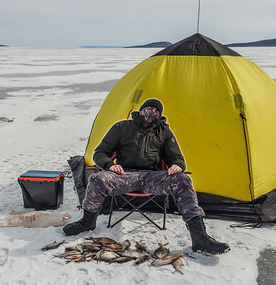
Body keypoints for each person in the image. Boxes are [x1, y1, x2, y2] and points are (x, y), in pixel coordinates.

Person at [63, 98, 229, 254]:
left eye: (157, 110)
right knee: (97, 179)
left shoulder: (164, 132)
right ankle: (88, 222)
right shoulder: (122, 127)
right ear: (141, 110)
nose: (153, 111)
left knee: (183, 179)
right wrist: (111, 165)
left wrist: (177, 166)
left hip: (152, 177)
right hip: (124, 176)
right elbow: (100, 153)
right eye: (149, 108)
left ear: (160, 115)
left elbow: (176, 157)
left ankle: (199, 237)